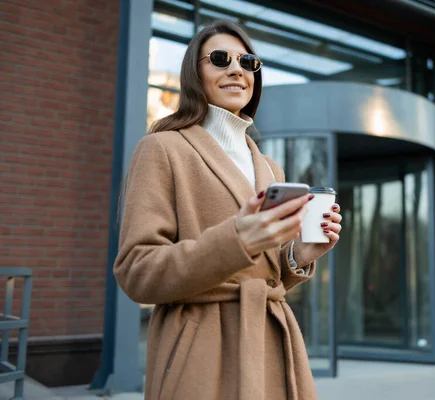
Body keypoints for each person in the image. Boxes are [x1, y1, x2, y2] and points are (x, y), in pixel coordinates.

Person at [114, 20, 342, 400]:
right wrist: (236, 238)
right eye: (220, 59)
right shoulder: (163, 149)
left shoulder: (269, 167)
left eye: (248, 61)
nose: (237, 69)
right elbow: (137, 271)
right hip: (202, 351)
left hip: (273, 344)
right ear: (194, 72)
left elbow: (264, 274)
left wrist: (299, 255)